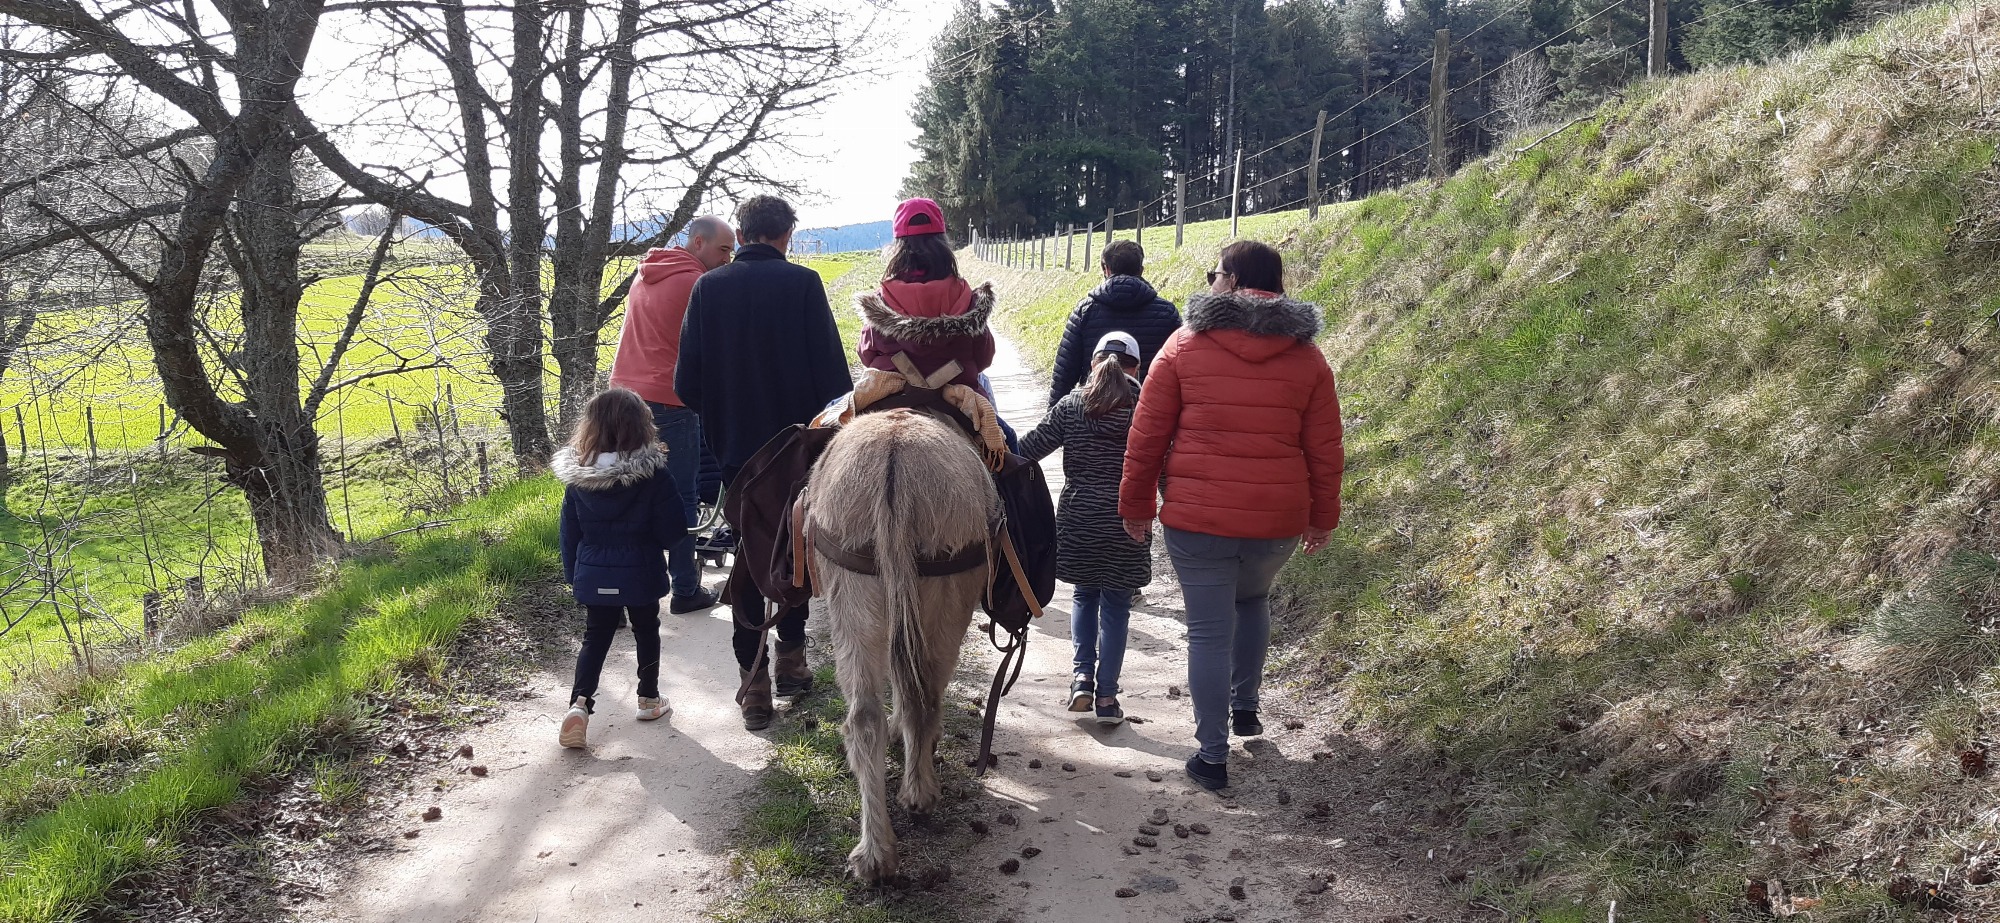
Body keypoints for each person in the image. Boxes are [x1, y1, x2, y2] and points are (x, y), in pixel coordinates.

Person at [1118, 240, 1343, 791]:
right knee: (1253, 599)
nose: (1210, 281)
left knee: (1208, 633)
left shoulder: (1182, 347)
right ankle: (1245, 709)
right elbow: (1325, 448)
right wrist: (1322, 516)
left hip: (1200, 520)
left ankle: (1212, 755)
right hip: (1277, 520)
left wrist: (1136, 504)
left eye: (1217, 273)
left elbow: (1147, 437)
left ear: (1236, 281)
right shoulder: (1308, 357)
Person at [675, 194, 852, 731]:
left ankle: (754, 686)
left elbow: (687, 384)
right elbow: (835, 384)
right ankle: (792, 663)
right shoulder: (803, 284)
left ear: (744, 233)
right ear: (786, 236)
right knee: (794, 550)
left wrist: (724, 421)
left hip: (736, 459)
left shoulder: (708, 287)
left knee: (750, 561)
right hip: (795, 452)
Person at [1017, 331, 1150, 726]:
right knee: (1117, 607)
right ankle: (1108, 697)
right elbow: (1165, 466)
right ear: (1136, 367)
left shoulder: (1072, 405)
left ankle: (1081, 682)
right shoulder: (1145, 408)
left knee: (1084, 596)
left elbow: (1026, 451)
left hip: (1078, 518)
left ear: (1092, 363)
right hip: (1128, 519)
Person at [607, 215, 734, 615]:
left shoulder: (647, 274)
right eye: (723, 249)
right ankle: (684, 589)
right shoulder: (698, 284)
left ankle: (620, 593)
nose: (728, 259)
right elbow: (712, 351)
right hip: (668, 401)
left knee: (628, 494)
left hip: (623, 397)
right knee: (678, 495)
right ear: (698, 242)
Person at [555, 388, 689, 749]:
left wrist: (575, 577)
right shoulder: (654, 476)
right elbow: (673, 531)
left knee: (595, 635)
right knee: (646, 629)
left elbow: (569, 533)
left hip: (594, 571)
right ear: (640, 426)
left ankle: (579, 705)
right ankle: (648, 699)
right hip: (640, 569)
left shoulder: (578, 479)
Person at [856, 197, 996, 390]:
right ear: (943, 243)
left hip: (893, 395)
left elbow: (865, 355)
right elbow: (984, 358)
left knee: (834, 412)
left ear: (897, 246)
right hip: (958, 394)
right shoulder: (967, 298)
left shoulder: (881, 301)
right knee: (990, 410)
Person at [1047, 239, 1181, 407]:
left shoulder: (1085, 310)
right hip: (1148, 411)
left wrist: (1054, 417)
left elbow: (1064, 374)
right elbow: (1182, 370)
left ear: (1106, 269)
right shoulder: (1167, 313)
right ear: (1141, 270)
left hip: (1094, 412)